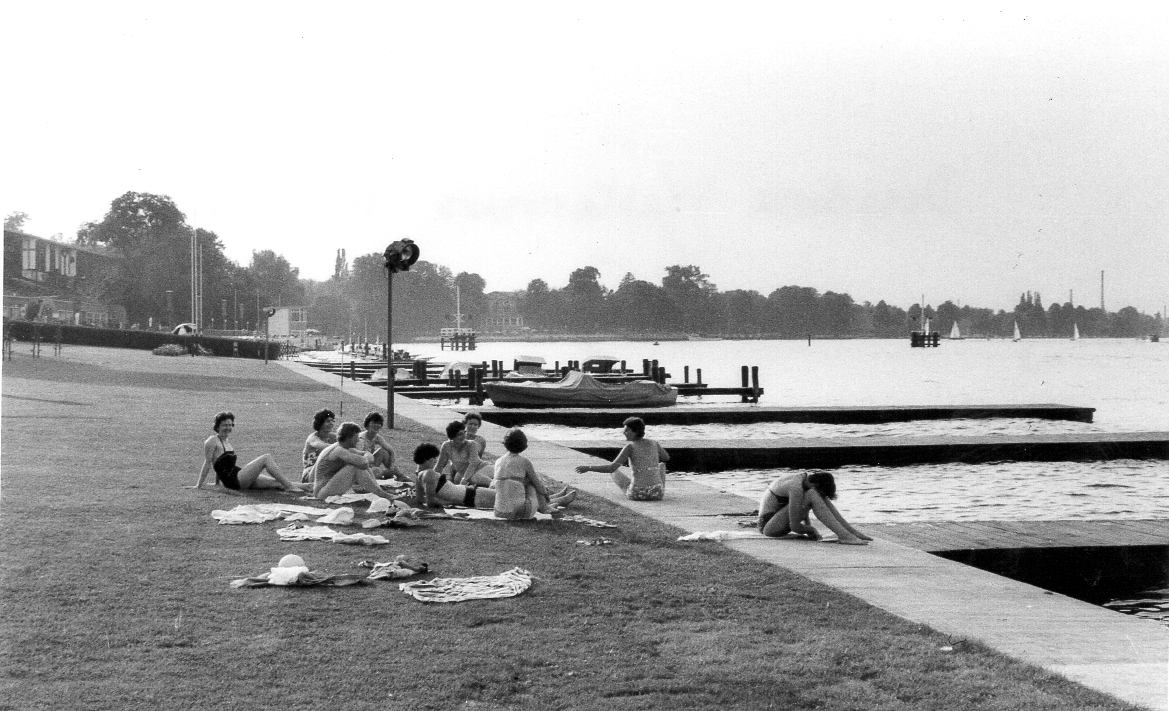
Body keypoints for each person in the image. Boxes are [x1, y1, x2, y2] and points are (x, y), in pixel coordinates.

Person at [413, 442, 576, 511]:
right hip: (470, 496)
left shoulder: (419, 474)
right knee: (513, 497)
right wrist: (450, 502)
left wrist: (448, 500)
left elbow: (421, 500)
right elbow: (431, 501)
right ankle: (554, 500)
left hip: (469, 493)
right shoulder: (430, 474)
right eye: (434, 458)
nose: (436, 461)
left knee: (513, 495)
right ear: (428, 459)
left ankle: (552, 499)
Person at [195, 412, 308, 493]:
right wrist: (198, 485)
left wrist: (217, 483)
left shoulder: (226, 441)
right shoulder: (212, 441)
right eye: (225, 425)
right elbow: (208, 463)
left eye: (230, 425)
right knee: (266, 458)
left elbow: (220, 464)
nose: (228, 427)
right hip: (234, 480)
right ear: (217, 426)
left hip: (238, 475)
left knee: (277, 482)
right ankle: (291, 487)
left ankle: (309, 487)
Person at [757, 471, 872, 545]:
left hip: (776, 522)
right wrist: (811, 530)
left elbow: (799, 512)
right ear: (814, 484)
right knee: (812, 494)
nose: (819, 499)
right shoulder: (796, 488)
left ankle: (850, 533)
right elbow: (795, 526)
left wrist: (807, 526)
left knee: (815, 495)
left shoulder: (806, 480)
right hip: (768, 527)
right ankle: (845, 536)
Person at [575, 417, 669, 501]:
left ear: (635, 432)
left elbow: (611, 468)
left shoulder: (630, 447)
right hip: (656, 494)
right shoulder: (654, 443)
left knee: (614, 471)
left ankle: (637, 487)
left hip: (637, 494)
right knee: (661, 465)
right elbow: (666, 457)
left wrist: (588, 468)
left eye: (627, 430)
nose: (624, 433)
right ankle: (653, 486)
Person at [311, 422, 398, 501]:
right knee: (355, 467)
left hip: (329, 486)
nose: (358, 440)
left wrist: (365, 457)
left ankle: (380, 491)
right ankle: (382, 494)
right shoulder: (339, 450)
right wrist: (365, 458)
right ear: (350, 438)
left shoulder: (346, 448)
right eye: (356, 437)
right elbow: (363, 462)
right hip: (321, 492)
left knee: (359, 465)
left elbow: (368, 459)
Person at [493, 428, 558, 520]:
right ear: (523, 444)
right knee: (532, 483)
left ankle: (546, 506)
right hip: (520, 513)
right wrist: (546, 494)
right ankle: (545, 507)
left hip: (499, 512)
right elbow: (538, 485)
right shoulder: (524, 462)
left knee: (517, 481)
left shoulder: (498, 461)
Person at [435, 420, 493, 487]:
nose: (463, 436)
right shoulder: (446, 445)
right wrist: (432, 478)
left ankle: (495, 486)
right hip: (464, 472)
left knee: (474, 478)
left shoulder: (471, 444)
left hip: (482, 467)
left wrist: (465, 479)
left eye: (464, 432)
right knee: (457, 480)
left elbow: (473, 464)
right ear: (452, 436)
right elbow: (440, 465)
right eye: (460, 434)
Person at [356, 411, 409, 482]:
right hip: (360, 469)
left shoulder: (377, 437)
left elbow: (391, 451)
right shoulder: (361, 440)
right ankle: (384, 476)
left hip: (370, 465)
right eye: (374, 423)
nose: (377, 425)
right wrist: (382, 471)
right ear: (367, 425)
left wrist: (392, 466)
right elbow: (358, 461)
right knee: (377, 471)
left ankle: (400, 475)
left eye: (379, 423)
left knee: (383, 452)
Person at [301, 408, 337, 482]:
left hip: (325, 471)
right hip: (310, 474)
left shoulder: (332, 437)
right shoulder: (313, 438)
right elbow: (322, 446)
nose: (331, 423)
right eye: (328, 421)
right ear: (320, 423)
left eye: (332, 421)